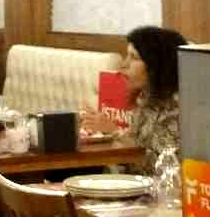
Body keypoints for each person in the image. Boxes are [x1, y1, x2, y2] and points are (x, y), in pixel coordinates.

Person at [79, 25, 187, 172]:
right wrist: (101, 130)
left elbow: (164, 168)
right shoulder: (145, 98)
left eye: (134, 57)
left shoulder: (177, 108)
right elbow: (134, 145)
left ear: (157, 64)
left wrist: (114, 132)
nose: (124, 65)